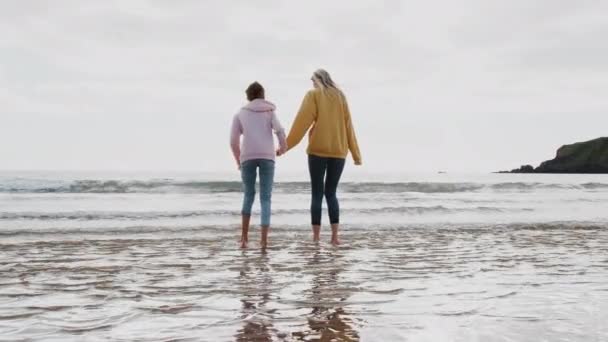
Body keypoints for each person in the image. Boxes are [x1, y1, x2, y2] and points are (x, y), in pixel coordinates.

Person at [279, 69, 362, 245]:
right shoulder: (341, 96)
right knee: (331, 193)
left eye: (313, 81)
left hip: (317, 151)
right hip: (339, 152)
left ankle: (316, 238)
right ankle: (334, 237)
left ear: (318, 79)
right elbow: (349, 126)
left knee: (317, 194)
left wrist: (285, 147)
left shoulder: (313, 94)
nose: (312, 84)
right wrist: (356, 155)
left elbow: (301, 122)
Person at [230, 82, 287, 249]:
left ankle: (244, 239)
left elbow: (233, 141)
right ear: (262, 95)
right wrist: (282, 148)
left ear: (248, 96)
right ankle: (263, 241)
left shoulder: (240, 113)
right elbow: (280, 130)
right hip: (268, 156)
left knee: (248, 195)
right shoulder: (269, 111)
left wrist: (238, 159)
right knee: (265, 198)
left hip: (247, 157)